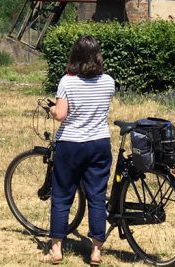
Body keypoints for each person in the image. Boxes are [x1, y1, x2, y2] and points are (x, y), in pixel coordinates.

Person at [43, 36, 116, 265]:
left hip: (71, 144)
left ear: (75, 56)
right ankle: (95, 251)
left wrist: (53, 109)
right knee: (96, 197)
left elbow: (62, 115)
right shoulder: (108, 82)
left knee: (62, 195)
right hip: (99, 143)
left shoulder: (67, 82)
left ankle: (56, 249)